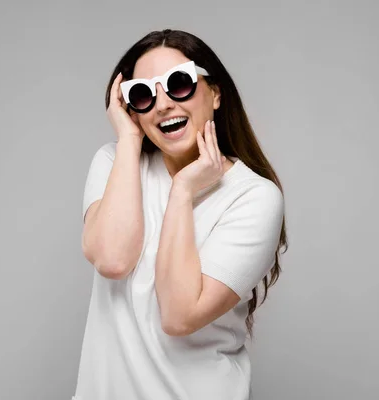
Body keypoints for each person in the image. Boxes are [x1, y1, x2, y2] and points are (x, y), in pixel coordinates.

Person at [73, 29, 288, 400]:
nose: (163, 104)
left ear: (215, 93)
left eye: (179, 84)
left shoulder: (253, 197)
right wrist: (128, 139)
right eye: (143, 94)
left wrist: (182, 191)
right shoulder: (115, 162)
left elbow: (178, 315)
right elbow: (112, 259)